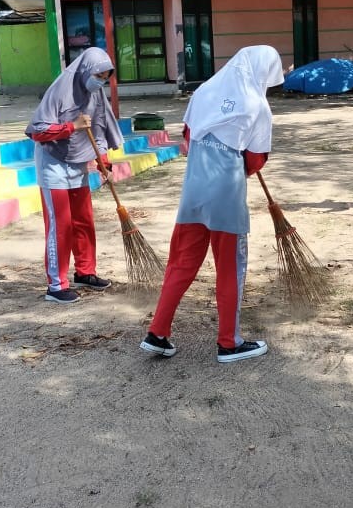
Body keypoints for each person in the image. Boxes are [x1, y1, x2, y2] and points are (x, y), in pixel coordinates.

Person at [140, 45, 284, 363]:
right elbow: (255, 160)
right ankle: (229, 343)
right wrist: (238, 158)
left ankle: (157, 333)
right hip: (225, 196)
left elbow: (188, 136)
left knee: (180, 263)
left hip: (194, 190)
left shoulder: (204, 90)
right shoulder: (257, 105)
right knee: (230, 267)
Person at [26, 47, 123, 303]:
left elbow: (99, 128)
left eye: (105, 78)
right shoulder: (60, 90)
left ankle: (85, 272)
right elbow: (38, 131)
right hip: (53, 162)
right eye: (98, 76)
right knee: (61, 224)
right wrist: (72, 126)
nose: (100, 82)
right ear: (85, 71)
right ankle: (56, 286)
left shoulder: (95, 93)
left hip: (78, 159)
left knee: (83, 219)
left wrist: (104, 163)